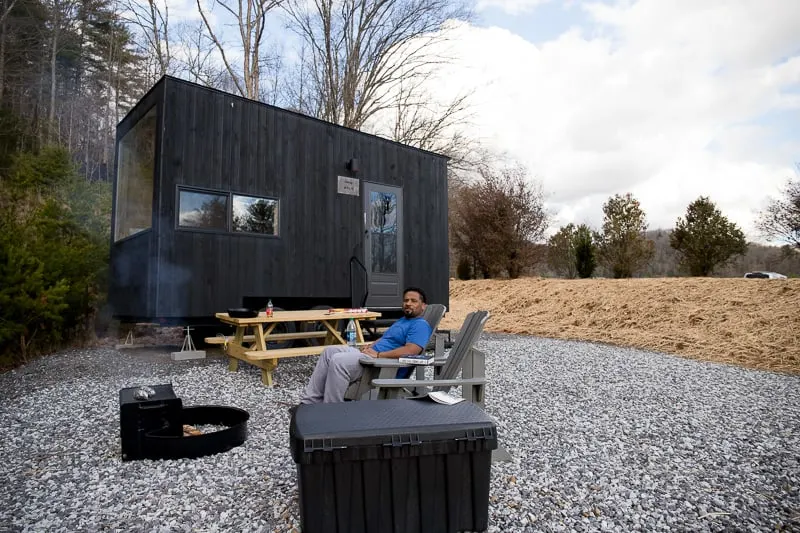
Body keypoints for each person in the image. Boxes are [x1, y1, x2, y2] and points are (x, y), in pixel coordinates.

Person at [299, 287, 431, 404]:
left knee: (338, 361)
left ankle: (332, 408)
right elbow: (386, 338)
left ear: (423, 306)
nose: (408, 303)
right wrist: (370, 346)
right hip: (371, 356)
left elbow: (411, 350)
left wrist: (379, 355)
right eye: (406, 300)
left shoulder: (420, 325)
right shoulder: (403, 321)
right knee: (329, 351)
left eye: (413, 301)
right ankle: (310, 402)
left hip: (382, 365)